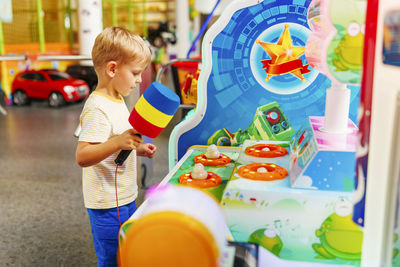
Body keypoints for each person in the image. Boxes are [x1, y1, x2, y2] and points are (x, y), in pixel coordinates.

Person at [75, 27, 155, 267]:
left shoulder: (118, 100)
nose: (140, 79)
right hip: (107, 204)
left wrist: (135, 148)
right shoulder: (96, 108)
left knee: (128, 252)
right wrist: (118, 141)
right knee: (112, 259)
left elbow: (117, 141)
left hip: (127, 196)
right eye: (135, 73)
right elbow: (83, 155)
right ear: (112, 69)